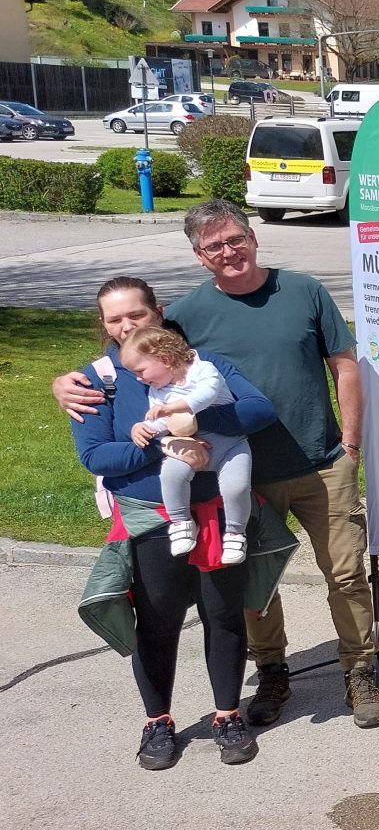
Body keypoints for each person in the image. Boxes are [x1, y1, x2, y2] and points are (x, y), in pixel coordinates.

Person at [54, 199, 379, 729]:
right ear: (199, 255)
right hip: (243, 473)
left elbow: (343, 365)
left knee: (346, 575)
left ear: (253, 238)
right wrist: (63, 384)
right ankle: (272, 671)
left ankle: (360, 670)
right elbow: (129, 353)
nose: (229, 251)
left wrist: (350, 443)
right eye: (215, 246)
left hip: (320, 462)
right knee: (257, 583)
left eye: (236, 239)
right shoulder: (186, 316)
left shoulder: (303, 291)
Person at [70, 276, 276, 769]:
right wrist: (165, 445)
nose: (126, 326)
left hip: (215, 511)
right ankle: (157, 722)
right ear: (103, 325)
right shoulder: (97, 381)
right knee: (157, 621)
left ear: (157, 313)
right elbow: (96, 456)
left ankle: (227, 715)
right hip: (152, 519)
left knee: (223, 615)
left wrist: (196, 421)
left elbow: (258, 410)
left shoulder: (199, 364)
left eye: (136, 314)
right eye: (115, 319)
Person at [120, 326, 254, 566]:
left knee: (237, 486)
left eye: (140, 371)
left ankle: (236, 533)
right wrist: (143, 428)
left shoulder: (203, 369)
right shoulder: (157, 390)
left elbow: (206, 394)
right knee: (171, 475)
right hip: (189, 446)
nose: (139, 379)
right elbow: (161, 421)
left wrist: (172, 407)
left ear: (164, 359)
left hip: (230, 445)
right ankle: (180, 521)